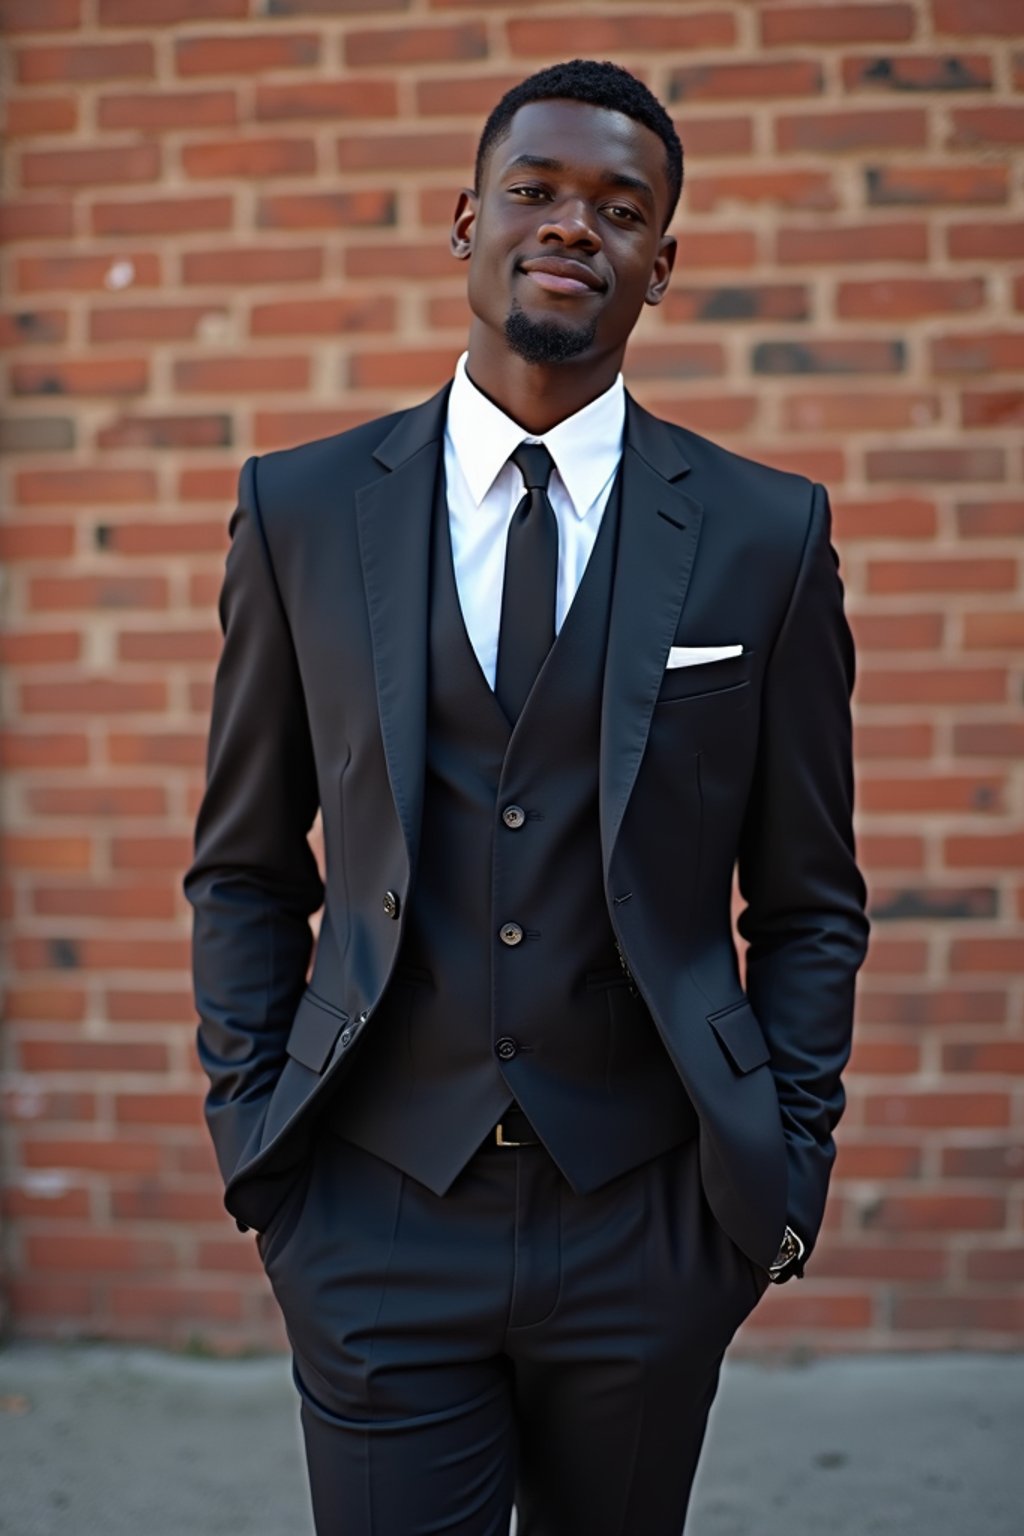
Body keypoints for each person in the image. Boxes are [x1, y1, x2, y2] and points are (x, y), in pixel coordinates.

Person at [185, 58, 869, 1536]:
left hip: (651, 1218)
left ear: (660, 268)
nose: (574, 228)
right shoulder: (301, 510)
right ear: (464, 224)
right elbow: (245, 864)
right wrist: (262, 1157)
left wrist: (778, 1176)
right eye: (537, 193)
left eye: (620, 210)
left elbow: (811, 899)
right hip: (373, 1216)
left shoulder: (765, 534)